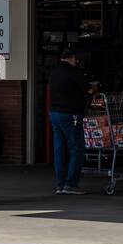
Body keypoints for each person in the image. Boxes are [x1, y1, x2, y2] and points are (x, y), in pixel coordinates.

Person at [48, 46, 91, 195]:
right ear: (72, 58)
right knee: (76, 148)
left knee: (59, 149)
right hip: (70, 114)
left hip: (54, 114)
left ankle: (60, 184)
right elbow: (88, 89)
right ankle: (71, 184)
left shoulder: (54, 73)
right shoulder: (75, 73)